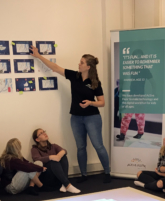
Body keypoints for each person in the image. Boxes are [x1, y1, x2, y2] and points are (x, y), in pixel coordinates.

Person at [30, 46, 111, 184]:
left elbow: (102, 102)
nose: (79, 64)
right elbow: (55, 67)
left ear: (88, 67)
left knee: (98, 146)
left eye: (81, 62)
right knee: (81, 147)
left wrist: (91, 103)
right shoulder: (75, 76)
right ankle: (84, 174)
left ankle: (107, 172)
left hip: (92, 118)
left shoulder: (95, 82)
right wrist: (38, 56)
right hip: (76, 118)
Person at [31, 128, 80, 194]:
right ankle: (67, 185)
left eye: (44, 131)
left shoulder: (53, 146)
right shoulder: (34, 149)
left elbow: (64, 151)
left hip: (57, 177)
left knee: (63, 157)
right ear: (37, 139)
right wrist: (50, 157)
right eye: (41, 133)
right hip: (46, 177)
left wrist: (58, 156)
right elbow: (36, 159)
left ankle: (64, 184)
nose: (44, 133)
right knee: (53, 162)